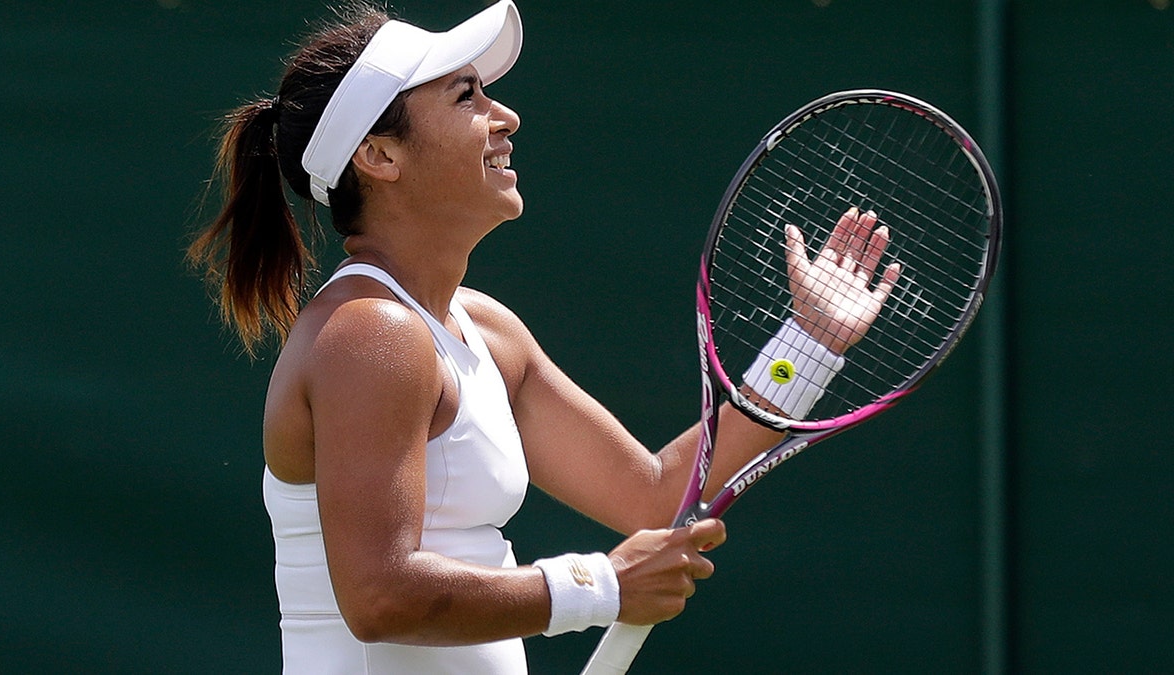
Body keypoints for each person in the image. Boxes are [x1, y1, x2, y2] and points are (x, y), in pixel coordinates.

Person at [187, 2, 898, 673]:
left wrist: (808, 343)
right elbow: (380, 595)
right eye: (466, 97)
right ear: (379, 155)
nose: (506, 116)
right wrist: (601, 584)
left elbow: (654, 495)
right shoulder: (370, 333)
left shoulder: (487, 331)